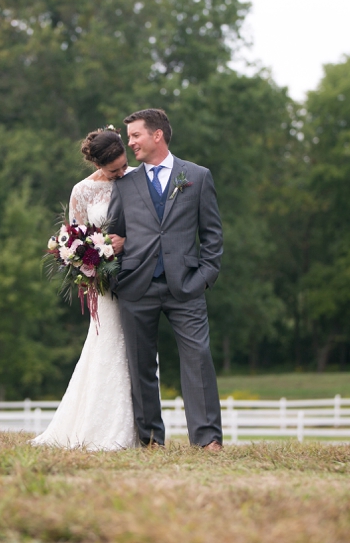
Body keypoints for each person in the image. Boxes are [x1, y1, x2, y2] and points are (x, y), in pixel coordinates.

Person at [106, 108, 224, 449]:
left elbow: (212, 234)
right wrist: (117, 279)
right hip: (136, 286)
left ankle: (207, 440)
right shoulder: (125, 185)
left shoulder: (197, 177)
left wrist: (204, 276)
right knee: (141, 365)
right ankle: (151, 440)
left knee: (198, 359)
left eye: (135, 136)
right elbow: (114, 235)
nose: (130, 143)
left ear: (157, 135)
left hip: (186, 286)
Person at [31, 128, 140, 450]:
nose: (121, 173)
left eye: (124, 166)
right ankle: (98, 427)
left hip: (139, 278)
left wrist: (127, 244)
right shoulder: (82, 192)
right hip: (104, 286)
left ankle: (140, 429)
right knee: (105, 349)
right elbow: (74, 238)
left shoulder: (139, 179)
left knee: (139, 352)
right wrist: (92, 258)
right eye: (114, 170)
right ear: (98, 165)